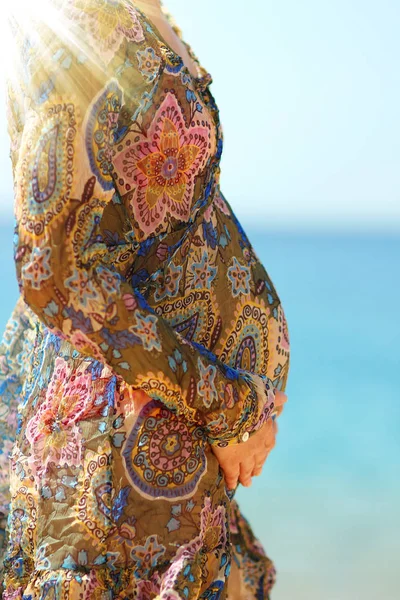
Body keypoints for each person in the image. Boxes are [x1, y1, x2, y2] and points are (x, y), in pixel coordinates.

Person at [0, 0, 290, 597]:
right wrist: (230, 408)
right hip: (115, 466)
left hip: (162, 449)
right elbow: (57, 270)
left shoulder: (144, 13)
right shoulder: (74, 16)